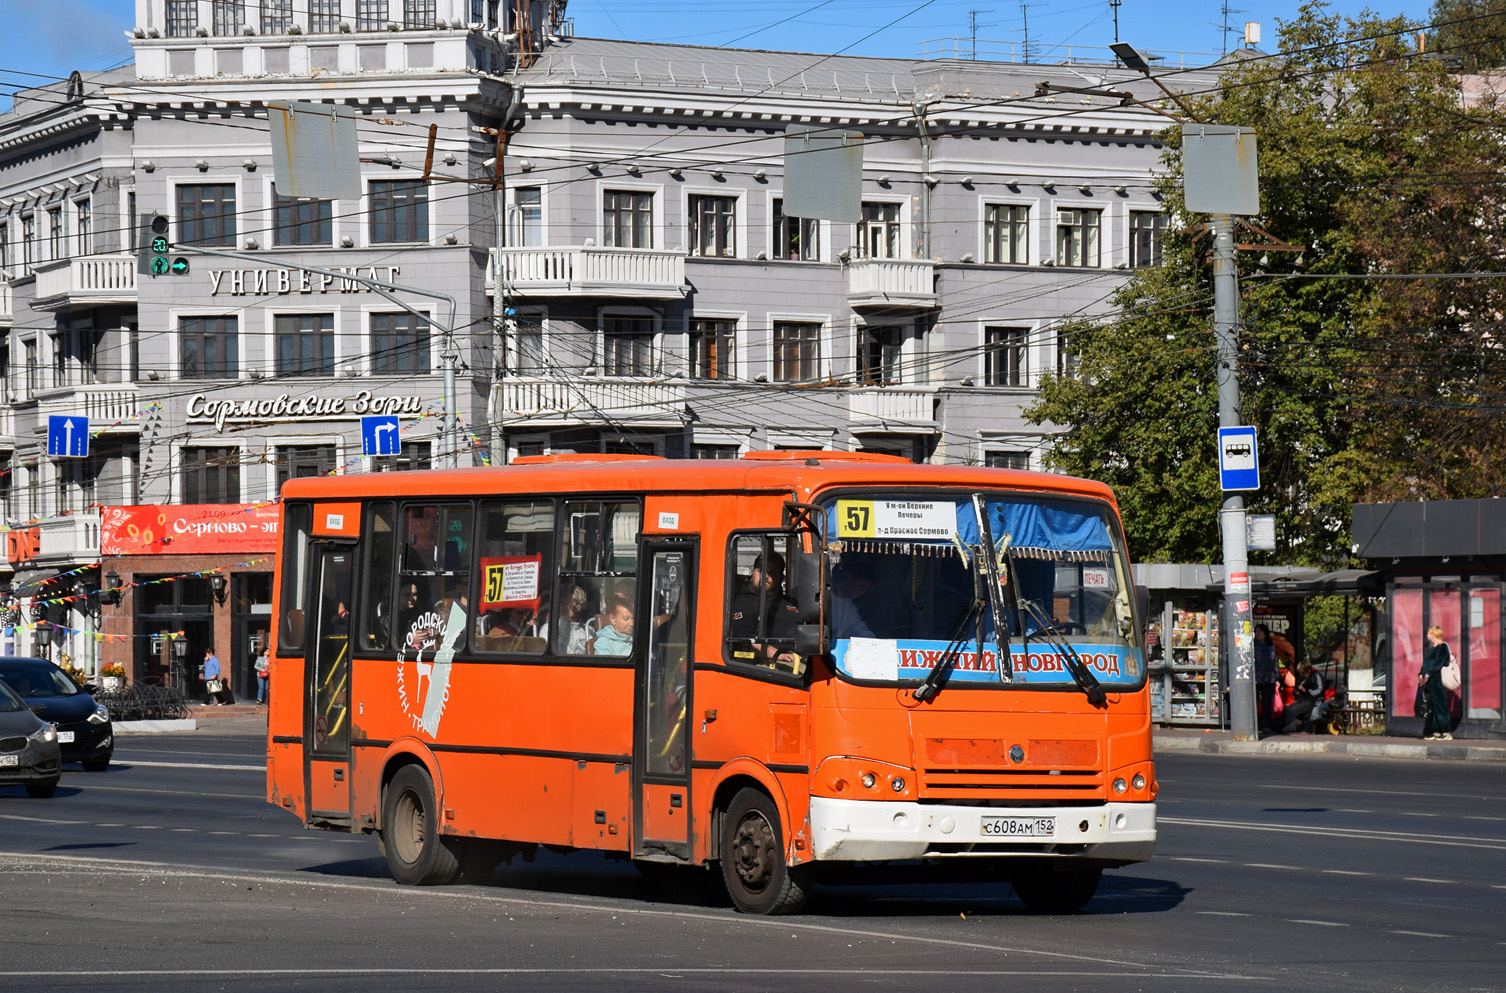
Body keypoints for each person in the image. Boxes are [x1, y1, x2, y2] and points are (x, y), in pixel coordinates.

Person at [728, 552, 799, 664]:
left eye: (771, 572)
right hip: (761, 666)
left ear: (781, 577)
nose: (765, 576)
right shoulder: (741, 601)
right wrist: (778, 655)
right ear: (753, 573)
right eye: (761, 570)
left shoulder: (792, 605)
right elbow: (745, 639)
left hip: (798, 660)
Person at [1420, 625, 1453, 740]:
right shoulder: (1432, 649)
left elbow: (1439, 663)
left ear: (1433, 634)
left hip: (1437, 680)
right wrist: (1421, 674)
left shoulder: (1442, 647)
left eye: (1428, 633)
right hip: (1428, 682)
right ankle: (1436, 731)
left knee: (1440, 705)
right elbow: (1426, 663)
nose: (1427, 635)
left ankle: (1446, 731)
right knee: (1432, 707)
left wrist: (1428, 674)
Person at [830, 559, 876, 639]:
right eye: (861, 586)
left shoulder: (850, 608)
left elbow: (862, 630)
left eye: (866, 589)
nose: (863, 592)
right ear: (849, 579)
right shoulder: (823, 596)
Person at [1281, 659, 1323, 734]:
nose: (1301, 675)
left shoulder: (1316, 676)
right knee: (1287, 708)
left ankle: (1283, 726)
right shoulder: (1302, 678)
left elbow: (1319, 690)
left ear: (1308, 671)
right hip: (1301, 699)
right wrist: (1296, 691)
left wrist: (1306, 691)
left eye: (1303, 673)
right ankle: (1286, 727)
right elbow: (1297, 687)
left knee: (1294, 710)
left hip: (1310, 700)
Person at [1254, 624, 1279, 734]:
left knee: (1267, 703)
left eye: (1260, 631)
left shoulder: (1271, 646)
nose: (1258, 634)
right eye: (1256, 631)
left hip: (1269, 678)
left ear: (1265, 633)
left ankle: (1266, 726)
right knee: (1253, 702)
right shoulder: (1252, 645)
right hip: (1255, 678)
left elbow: (1275, 662)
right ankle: (1253, 725)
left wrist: (1277, 677)